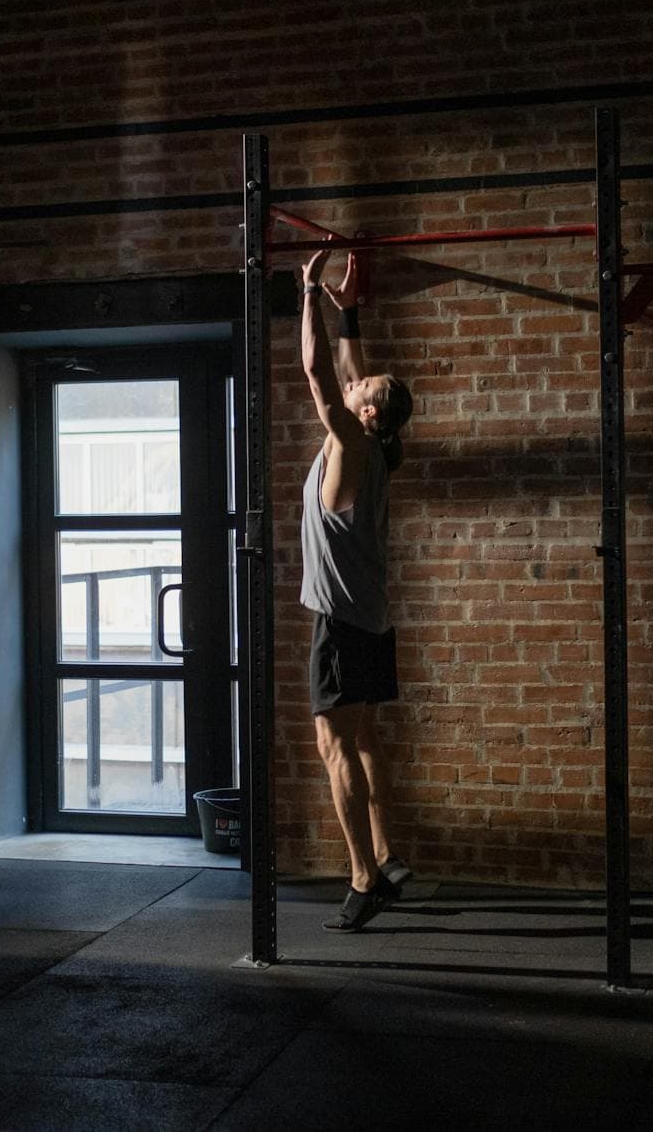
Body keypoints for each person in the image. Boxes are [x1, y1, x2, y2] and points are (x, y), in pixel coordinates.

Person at [298, 247, 416, 932]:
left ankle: (363, 877)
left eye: (363, 389)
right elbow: (346, 367)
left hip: (340, 621)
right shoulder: (378, 442)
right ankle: (387, 852)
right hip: (370, 616)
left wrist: (309, 291)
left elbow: (318, 370)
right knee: (364, 734)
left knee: (332, 745)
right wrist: (352, 306)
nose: (355, 383)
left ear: (366, 412)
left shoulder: (349, 440)